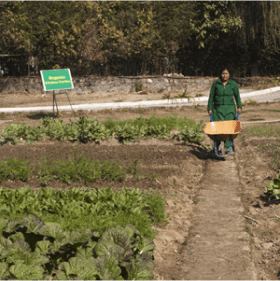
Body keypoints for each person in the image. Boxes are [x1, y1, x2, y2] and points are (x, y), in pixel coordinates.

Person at [207, 68, 242, 152]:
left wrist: (239, 106)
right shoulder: (216, 84)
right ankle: (217, 143)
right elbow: (211, 97)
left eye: (226, 74)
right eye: (223, 73)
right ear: (220, 74)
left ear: (229, 75)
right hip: (218, 108)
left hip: (230, 108)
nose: (225, 75)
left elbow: (237, 96)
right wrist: (209, 108)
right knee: (217, 126)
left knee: (228, 127)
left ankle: (226, 146)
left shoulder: (233, 84)